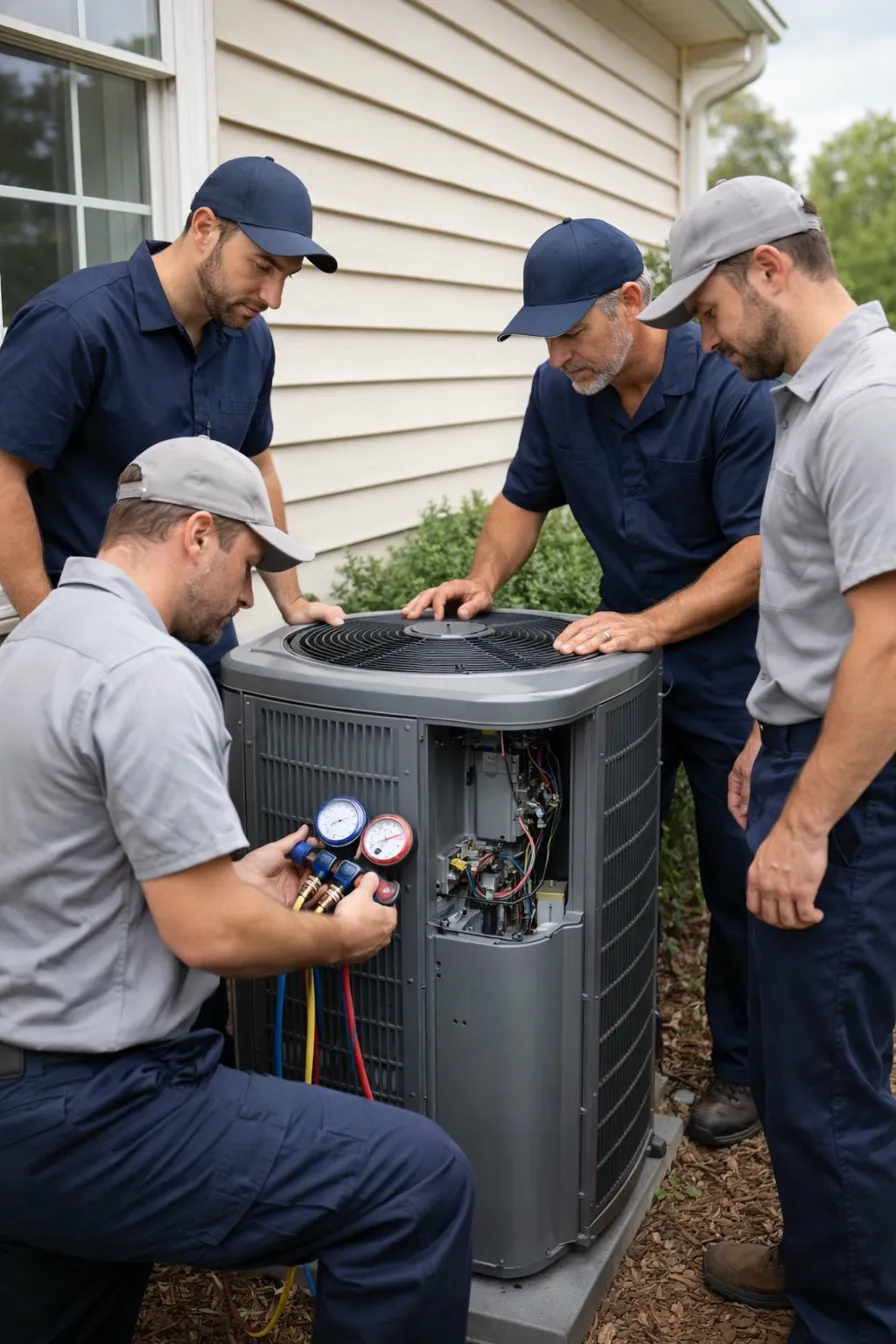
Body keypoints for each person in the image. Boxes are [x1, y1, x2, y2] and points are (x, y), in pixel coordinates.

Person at [0, 436, 474, 1344]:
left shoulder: (37, 639)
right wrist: (341, 937)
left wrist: (232, 874)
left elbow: (66, 862)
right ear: (198, 534)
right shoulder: (149, 673)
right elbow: (211, 940)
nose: (249, 597)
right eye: (251, 565)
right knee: (414, 1184)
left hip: (19, 1085)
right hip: (93, 1107)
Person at [403, 218, 776, 1147]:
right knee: (599, 863)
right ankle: (612, 1038)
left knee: (737, 877)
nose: (559, 352)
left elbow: (759, 551)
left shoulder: (727, 384)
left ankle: (743, 1066)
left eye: (572, 331)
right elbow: (521, 499)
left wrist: (651, 626)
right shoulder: (559, 390)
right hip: (621, 671)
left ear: (633, 304)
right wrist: (484, 579)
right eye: (546, 337)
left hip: (733, 672)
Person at [640, 175, 896, 1342]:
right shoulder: (814, 397)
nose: (702, 340)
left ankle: (847, 1319)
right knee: (806, 1060)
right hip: (808, 741)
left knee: (822, 1081)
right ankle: (819, 1255)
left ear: (768, 270)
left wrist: (803, 826)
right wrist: (764, 730)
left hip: (851, 781)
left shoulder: (867, 407)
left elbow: (888, 648)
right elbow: (826, 615)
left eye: (706, 313)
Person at [0, 154, 345, 687]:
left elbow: (258, 467)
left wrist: (291, 598)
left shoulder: (250, 341)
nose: (273, 298)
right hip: (92, 648)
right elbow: (4, 476)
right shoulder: (74, 324)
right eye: (261, 266)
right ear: (205, 228)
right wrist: (51, 635)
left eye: (286, 277)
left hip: (205, 641)